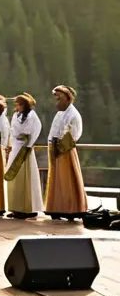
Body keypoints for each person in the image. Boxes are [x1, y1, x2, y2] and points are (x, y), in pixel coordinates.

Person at [44, 85, 86, 221]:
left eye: (59, 98)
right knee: (56, 180)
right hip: (56, 148)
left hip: (65, 149)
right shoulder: (60, 113)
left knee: (67, 180)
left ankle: (71, 208)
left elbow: (74, 134)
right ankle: (57, 207)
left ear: (68, 99)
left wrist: (61, 145)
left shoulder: (73, 114)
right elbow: (53, 131)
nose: (57, 101)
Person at [5, 93, 43, 219]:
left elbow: (36, 129)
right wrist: (11, 143)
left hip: (25, 149)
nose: (16, 105)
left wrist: (29, 144)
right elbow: (12, 131)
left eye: (19, 103)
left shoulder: (32, 115)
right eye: (16, 103)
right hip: (16, 147)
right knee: (15, 178)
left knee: (25, 178)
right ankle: (16, 208)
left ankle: (28, 208)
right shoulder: (16, 115)